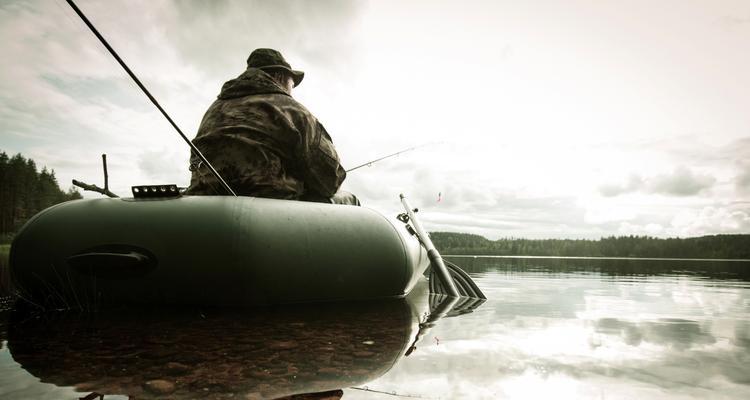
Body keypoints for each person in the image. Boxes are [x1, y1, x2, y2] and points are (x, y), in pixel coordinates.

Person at [186, 48, 359, 205]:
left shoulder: (214, 109)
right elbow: (330, 180)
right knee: (350, 200)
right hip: (271, 209)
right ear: (279, 77)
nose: (292, 90)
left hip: (206, 202)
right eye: (292, 83)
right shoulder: (293, 110)